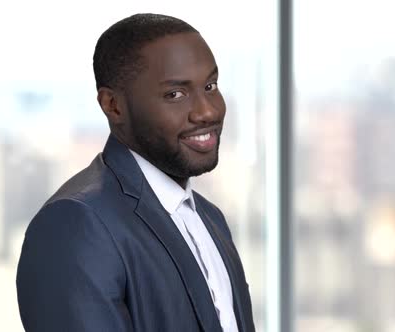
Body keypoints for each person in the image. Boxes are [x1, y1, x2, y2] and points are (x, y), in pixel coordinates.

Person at [16, 13, 255, 332]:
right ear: (113, 106)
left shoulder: (210, 220)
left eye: (210, 86)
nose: (208, 110)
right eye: (175, 94)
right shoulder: (75, 225)